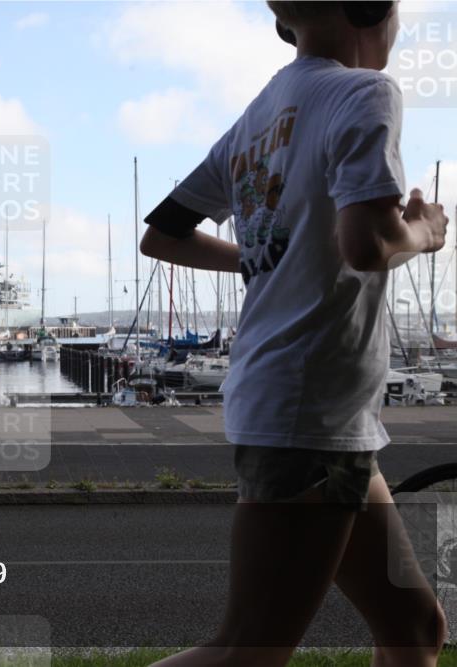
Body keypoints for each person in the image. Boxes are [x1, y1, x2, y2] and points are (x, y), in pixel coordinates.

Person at [140, 2, 449, 665]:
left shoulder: (259, 116)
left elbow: (162, 234)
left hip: (317, 415)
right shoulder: (365, 92)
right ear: (370, 8)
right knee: (247, 651)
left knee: (414, 630)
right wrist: (424, 232)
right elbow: (368, 244)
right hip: (309, 418)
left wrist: (266, 257)